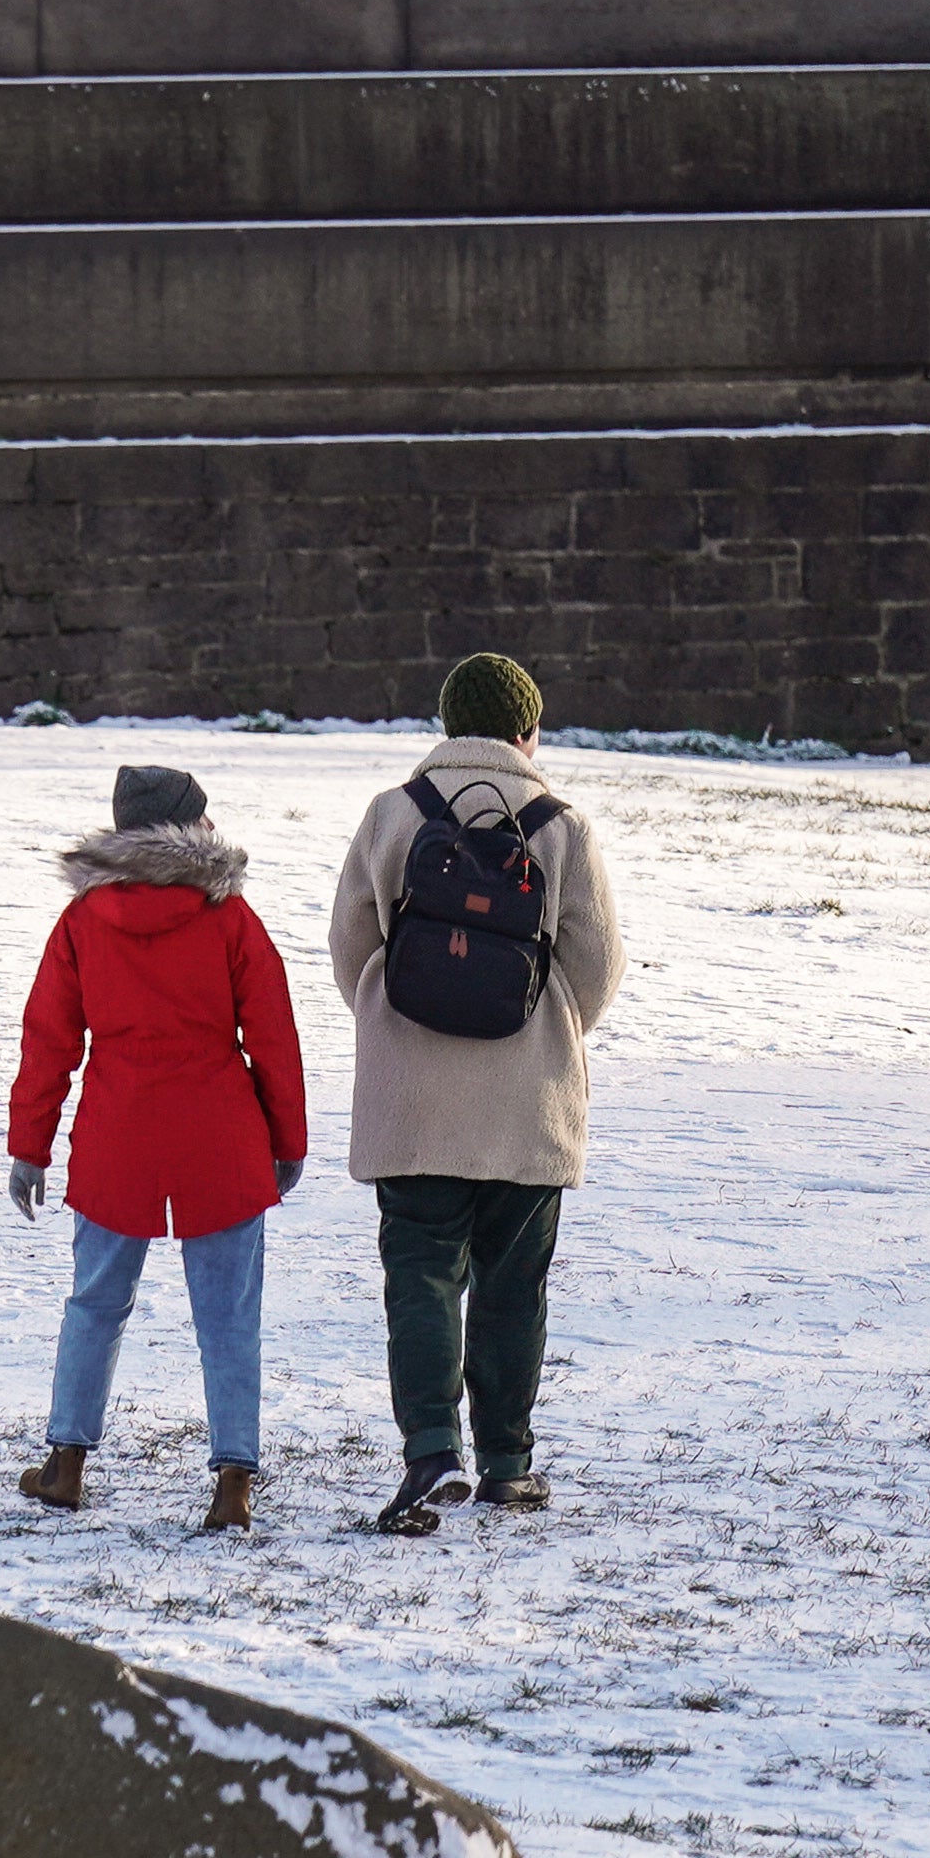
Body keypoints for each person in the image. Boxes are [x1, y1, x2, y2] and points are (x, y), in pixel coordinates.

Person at [324, 652, 627, 1538]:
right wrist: (547, 1027)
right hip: (526, 1104)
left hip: (411, 1104)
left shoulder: (392, 814)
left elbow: (351, 948)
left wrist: (396, 1021)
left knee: (418, 1273)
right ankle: (507, 1463)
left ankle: (429, 1451)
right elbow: (598, 968)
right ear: (528, 731)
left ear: (449, 726)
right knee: (513, 1286)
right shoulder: (560, 824)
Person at [3, 765, 306, 1534]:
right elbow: (273, 1036)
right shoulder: (230, 916)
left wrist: (30, 1146)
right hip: (220, 1137)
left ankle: (67, 1464)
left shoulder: (83, 920)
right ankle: (233, 1480)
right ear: (191, 828)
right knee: (229, 1316)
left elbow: (49, 1041)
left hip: (118, 1134)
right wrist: (288, 1139)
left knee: (95, 1303)